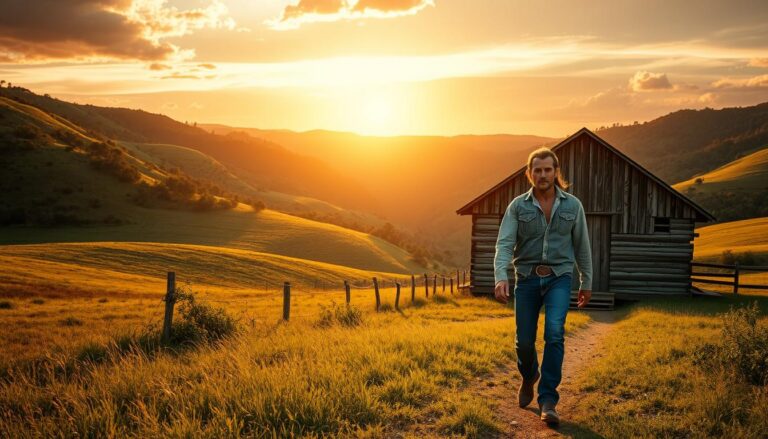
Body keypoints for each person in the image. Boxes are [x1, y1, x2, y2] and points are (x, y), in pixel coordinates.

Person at [493, 147, 592, 425]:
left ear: (556, 172)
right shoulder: (518, 206)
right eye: (537, 170)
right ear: (529, 173)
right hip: (526, 278)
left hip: (559, 278)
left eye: (548, 169)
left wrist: (587, 281)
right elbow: (504, 244)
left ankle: (548, 399)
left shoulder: (573, 206)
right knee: (523, 340)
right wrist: (501, 275)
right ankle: (529, 376)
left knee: (555, 333)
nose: (543, 174)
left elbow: (582, 246)